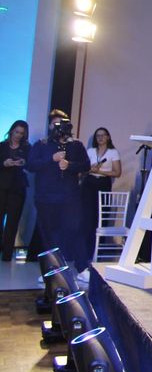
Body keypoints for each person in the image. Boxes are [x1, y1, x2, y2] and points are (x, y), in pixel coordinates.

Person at [26, 110, 90, 273]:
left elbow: (86, 165)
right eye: (55, 123)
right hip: (46, 197)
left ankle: (83, 269)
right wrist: (51, 159)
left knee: (76, 230)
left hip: (70, 197)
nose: (58, 127)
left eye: (61, 123)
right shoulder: (42, 144)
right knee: (49, 236)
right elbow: (31, 165)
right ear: (49, 126)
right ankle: (53, 273)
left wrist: (70, 165)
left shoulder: (76, 145)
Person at [81, 127, 122, 270]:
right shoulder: (90, 151)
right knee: (87, 217)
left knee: (100, 217)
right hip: (89, 183)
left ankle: (98, 252)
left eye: (103, 135)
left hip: (103, 183)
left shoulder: (113, 152)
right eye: (98, 135)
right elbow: (83, 168)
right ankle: (86, 251)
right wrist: (90, 169)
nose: (100, 138)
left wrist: (101, 171)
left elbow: (117, 172)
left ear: (108, 137)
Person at [0, 121, 31, 261]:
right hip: (1, 186)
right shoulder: (2, 146)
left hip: (17, 188)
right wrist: (4, 163)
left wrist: (23, 162)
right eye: (17, 132)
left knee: (12, 223)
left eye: (21, 133)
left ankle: (7, 254)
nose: (18, 135)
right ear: (12, 130)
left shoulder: (27, 148)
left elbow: (31, 164)